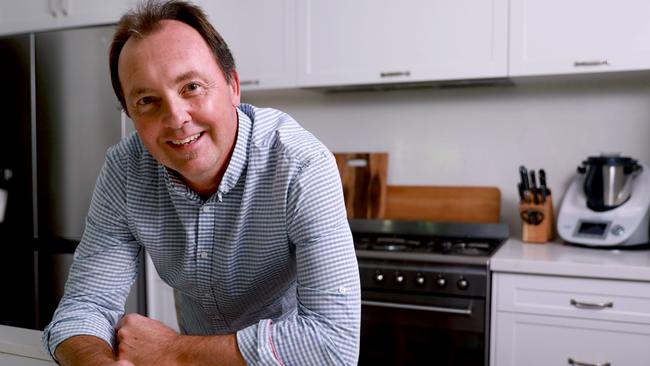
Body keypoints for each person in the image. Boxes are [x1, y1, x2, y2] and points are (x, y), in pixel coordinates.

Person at [41, 0, 361, 365]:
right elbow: (84, 306)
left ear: (233, 86)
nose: (176, 118)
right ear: (130, 115)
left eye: (191, 86)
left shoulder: (301, 165)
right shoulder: (126, 170)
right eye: (147, 100)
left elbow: (334, 345)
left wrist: (171, 350)